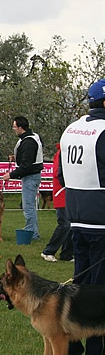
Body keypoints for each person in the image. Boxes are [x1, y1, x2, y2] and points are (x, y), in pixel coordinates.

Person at [59, 78, 105, 355]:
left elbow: (63, 174)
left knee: (78, 286)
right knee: (99, 291)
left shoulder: (72, 129)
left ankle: (74, 346)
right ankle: (95, 348)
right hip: (101, 217)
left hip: (76, 216)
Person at [1, 116, 44, 241]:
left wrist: (11, 175)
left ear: (20, 127)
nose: (13, 129)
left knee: (28, 206)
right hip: (31, 176)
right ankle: (33, 231)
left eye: (14, 127)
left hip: (31, 177)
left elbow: (26, 165)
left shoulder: (28, 142)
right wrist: (16, 158)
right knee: (29, 206)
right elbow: (29, 158)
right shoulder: (31, 137)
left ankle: (32, 233)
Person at [41, 143, 73, 263]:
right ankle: (48, 251)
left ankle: (67, 254)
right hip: (62, 193)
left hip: (69, 193)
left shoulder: (67, 153)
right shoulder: (61, 154)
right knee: (64, 224)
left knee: (71, 225)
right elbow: (57, 172)